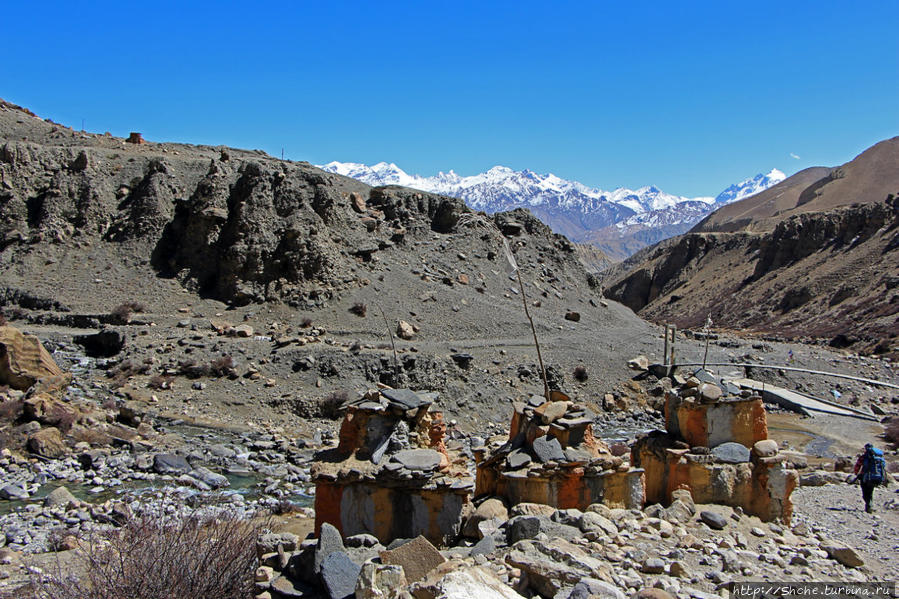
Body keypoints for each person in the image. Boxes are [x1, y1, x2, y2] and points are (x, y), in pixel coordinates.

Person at [853, 443, 886, 513]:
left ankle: (868, 506)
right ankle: (869, 506)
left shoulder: (864, 457)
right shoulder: (878, 457)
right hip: (875, 477)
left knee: (865, 493)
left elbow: (857, 466)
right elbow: (883, 466)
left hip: (865, 477)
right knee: (870, 492)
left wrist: (856, 473)